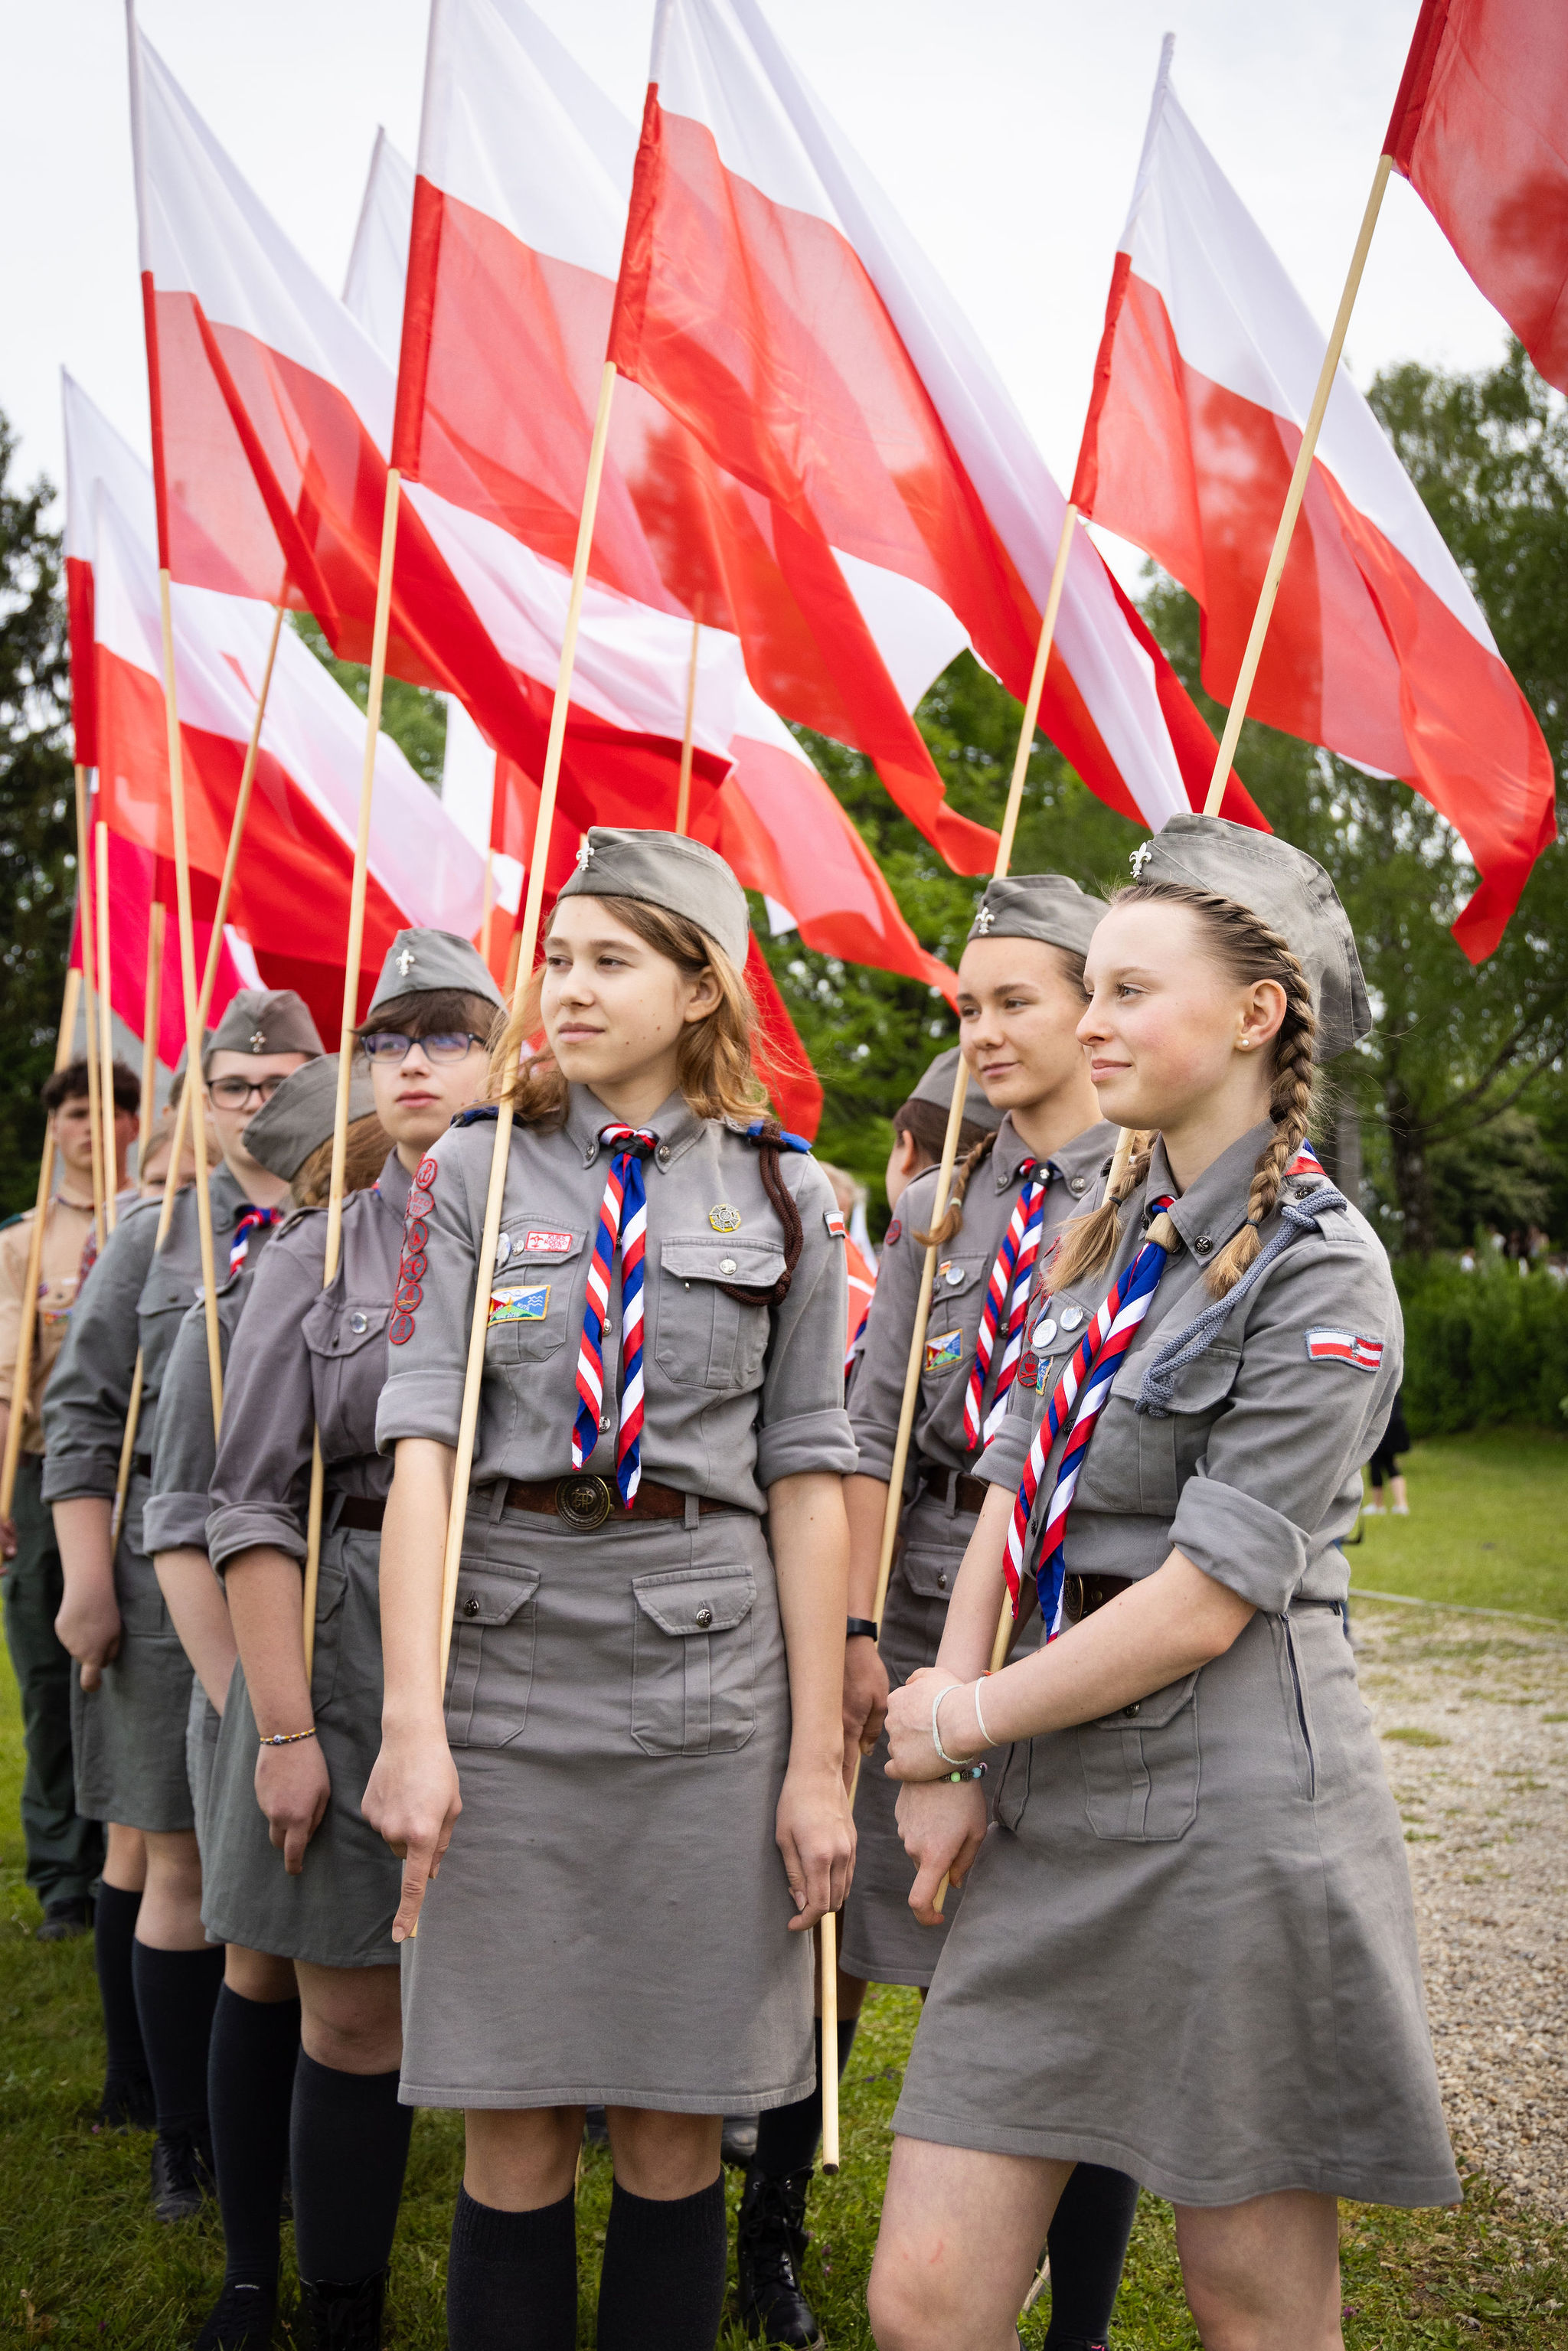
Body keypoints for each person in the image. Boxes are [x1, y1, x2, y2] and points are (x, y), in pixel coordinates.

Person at [868, 817, 1459, 2351]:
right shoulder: (1101, 1233)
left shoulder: (1320, 1264)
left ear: (1255, 1014)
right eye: (1092, 989)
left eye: (1128, 990)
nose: (1090, 1021)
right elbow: (1013, 1480)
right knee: (925, 2297)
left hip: (1229, 1817)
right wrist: (952, 1743)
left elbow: (1206, 1594)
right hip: (1052, 1795)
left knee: (1250, 2305)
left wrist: (962, 1719)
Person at [362, 829, 857, 2351]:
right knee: (509, 2111)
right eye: (557, 958)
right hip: (505, 1662)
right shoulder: (473, 1169)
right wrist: (409, 1724)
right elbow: (424, 1445)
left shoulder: (788, 1193)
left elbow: (808, 1476)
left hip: (704, 1681)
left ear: (699, 988)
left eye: (608, 960)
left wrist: (815, 1764)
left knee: (670, 2112)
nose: (565, 987)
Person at [738, 883, 1140, 2351]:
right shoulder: (939, 1209)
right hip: (912, 1585)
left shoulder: (1149, 1199)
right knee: (835, 1931)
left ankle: (1076, 2321)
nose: (979, 1032)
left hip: (1066, 1610)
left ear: (1095, 1008)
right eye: (966, 1006)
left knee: (1076, 1971)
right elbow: (862, 1431)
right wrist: (852, 1636)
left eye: (1012, 1001)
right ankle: (767, 2244)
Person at [193, 936, 498, 2351]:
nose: (412, 1062)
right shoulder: (315, 1248)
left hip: (524, 1621)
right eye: (386, 1040)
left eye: (447, 1035)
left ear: (508, 1057)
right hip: (352, 1632)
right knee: (352, 2017)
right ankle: (329, 2308)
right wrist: (284, 1727)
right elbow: (249, 1500)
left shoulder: (568, 1229)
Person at [44, 989, 323, 2212]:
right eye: (234, 1086)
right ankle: (179, 2130)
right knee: (178, 1861)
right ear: (199, 1102)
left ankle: (286, 2119)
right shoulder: (152, 1236)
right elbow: (80, 1413)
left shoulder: (357, 1220)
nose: (256, 1104)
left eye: (282, 1082)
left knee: (285, 1878)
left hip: (308, 1578)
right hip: (166, 1583)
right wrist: (85, 1582)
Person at [0, 1058, 136, 1943]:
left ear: (134, 1122)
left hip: (142, 1475)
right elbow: (5, 1381)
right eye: (73, 1113)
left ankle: (138, 1845)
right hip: (46, 1471)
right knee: (50, 1679)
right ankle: (62, 1874)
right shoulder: (23, 1241)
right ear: (55, 1129)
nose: (88, 1128)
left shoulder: (167, 1221)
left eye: (105, 1111)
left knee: (137, 1673)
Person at [1364, 1387, 1410, 1515]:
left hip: (1382, 1426)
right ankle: (1401, 1504)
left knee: (1375, 1463)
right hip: (1395, 1425)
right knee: (1390, 1463)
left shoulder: (1378, 1384)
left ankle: (1378, 1505)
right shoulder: (1394, 1382)